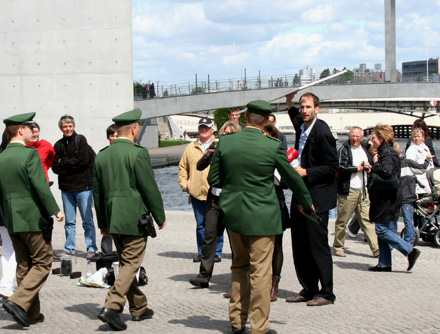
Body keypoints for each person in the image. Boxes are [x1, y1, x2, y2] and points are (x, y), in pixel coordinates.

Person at [208, 100, 313, 334]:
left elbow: (213, 180)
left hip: (234, 214)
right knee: (260, 272)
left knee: (239, 266)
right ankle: (259, 327)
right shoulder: (273, 145)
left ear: (245, 119)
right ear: (266, 121)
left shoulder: (226, 142)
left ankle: (236, 321)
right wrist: (306, 203)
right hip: (263, 217)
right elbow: (292, 178)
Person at [94, 108, 166, 331]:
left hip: (114, 218)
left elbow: (97, 193)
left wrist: (103, 222)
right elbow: (148, 187)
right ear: (134, 129)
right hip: (134, 218)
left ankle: (139, 307)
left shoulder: (102, 155)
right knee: (131, 264)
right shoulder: (138, 153)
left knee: (127, 264)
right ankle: (112, 307)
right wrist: (159, 215)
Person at [0, 112, 64, 327]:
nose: (33, 131)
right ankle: (18, 302)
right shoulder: (29, 155)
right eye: (30, 128)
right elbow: (40, 186)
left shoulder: (1, 157)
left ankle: (31, 312)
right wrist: (55, 210)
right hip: (31, 216)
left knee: (24, 264)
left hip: (11, 218)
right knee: (43, 261)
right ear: (20, 130)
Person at [285, 91, 337, 306]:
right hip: (300, 194)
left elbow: (332, 166)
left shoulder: (322, 131)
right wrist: (289, 102)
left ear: (317, 109)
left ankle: (326, 293)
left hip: (317, 197)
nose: (304, 111)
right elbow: (295, 117)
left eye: (308, 107)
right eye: (302, 106)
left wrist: (306, 172)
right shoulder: (303, 126)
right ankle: (308, 288)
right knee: (300, 244)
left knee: (317, 245)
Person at [189, 120, 241, 289]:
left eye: (229, 134)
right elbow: (199, 166)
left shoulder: (239, 152)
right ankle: (203, 276)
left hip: (232, 201)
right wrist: (210, 153)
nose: (225, 138)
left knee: (236, 241)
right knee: (209, 236)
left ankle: (238, 278)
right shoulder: (215, 150)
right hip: (214, 199)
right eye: (223, 134)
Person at [368, 124, 421, 272]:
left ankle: (409, 251)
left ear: (381, 138)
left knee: (380, 230)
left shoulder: (387, 153)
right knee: (385, 229)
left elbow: (387, 171)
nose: (371, 140)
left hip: (386, 197)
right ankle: (384, 263)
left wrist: (374, 164)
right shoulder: (387, 151)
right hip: (388, 196)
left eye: (374, 137)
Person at [52, 115, 98, 260]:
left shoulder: (81, 140)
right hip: (66, 189)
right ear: (61, 128)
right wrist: (72, 164)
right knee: (69, 222)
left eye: (70, 126)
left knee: (87, 220)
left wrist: (63, 162)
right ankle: (69, 248)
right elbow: (55, 168)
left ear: (74, 126)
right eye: (65, 126)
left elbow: (83, 161)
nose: (68, 129)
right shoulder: (58, 145)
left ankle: (91, 248)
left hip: (83, 188)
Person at [178, 117, 224, 262]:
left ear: (212, 130)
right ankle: (202, 252)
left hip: (215, 192)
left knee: (217, 224)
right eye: (201, 128)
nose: (203, 130)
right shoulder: (190, 148)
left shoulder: (218, 146)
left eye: (206, 127)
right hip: (196, 193)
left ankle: (216, 252)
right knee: (200, 225)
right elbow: (182, 168)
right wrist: (185, 185)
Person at [333, 127, 379, 257]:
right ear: (349, 136)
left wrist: (369, 168)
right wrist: (356, 168)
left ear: (362, 137)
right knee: (342, 220)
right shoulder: (344, 149)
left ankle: (375, 249)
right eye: (352, 136)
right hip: (348, 190)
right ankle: (338, 246)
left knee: (367, 220)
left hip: (363, 190)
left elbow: (370, 163)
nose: (355, 138)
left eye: (357, 136)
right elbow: (339, 167)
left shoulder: (365, 149)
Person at [394, 143, 432, 245]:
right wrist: (428, 159)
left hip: (394, 196)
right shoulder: (407, 162)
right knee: (409, 220)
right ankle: (409, 241)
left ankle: (391, 240)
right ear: (401, 151)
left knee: (392, 219)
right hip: (407, 195)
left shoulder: (391, 164)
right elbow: (422, 168)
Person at [0, 131, 16, 299]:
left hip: (2, 211)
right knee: (14, 248)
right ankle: (7, 283)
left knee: (7, 248)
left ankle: (6, 283)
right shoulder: (11, 158)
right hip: (12, 211)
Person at [405, 128, 435, 196]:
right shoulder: (411, 149)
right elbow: (410, 166)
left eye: (419, 136)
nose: (417, 138)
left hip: (428, 178)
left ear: (423, 137)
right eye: (415, 136)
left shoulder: (426, 148)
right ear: (412, 138)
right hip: (419, 180)